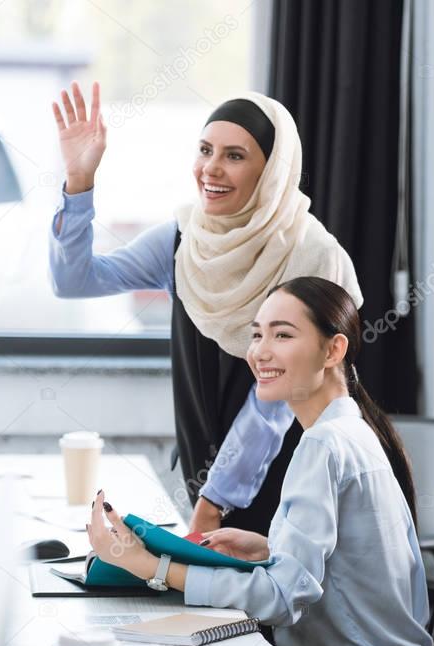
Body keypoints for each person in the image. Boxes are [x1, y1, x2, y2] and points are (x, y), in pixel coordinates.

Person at [49, 83, 362, 535]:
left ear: (271, 171)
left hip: (295, 480)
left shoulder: (312, 256)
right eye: (204, 150)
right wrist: (79, 183)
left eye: (234, 155)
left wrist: (214, 501)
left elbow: (275, 401)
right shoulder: (185, 240)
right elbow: (73, 280)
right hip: (208, 476)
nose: (211, 168)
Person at [87, 277, 432, 646]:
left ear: (333, 349)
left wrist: (151, 567)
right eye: (256, 335)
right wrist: (269, 549)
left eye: (282, 335)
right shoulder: (351, 429)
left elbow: (282, 599)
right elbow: (350, 566)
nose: (260, 352)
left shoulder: (324, 444)